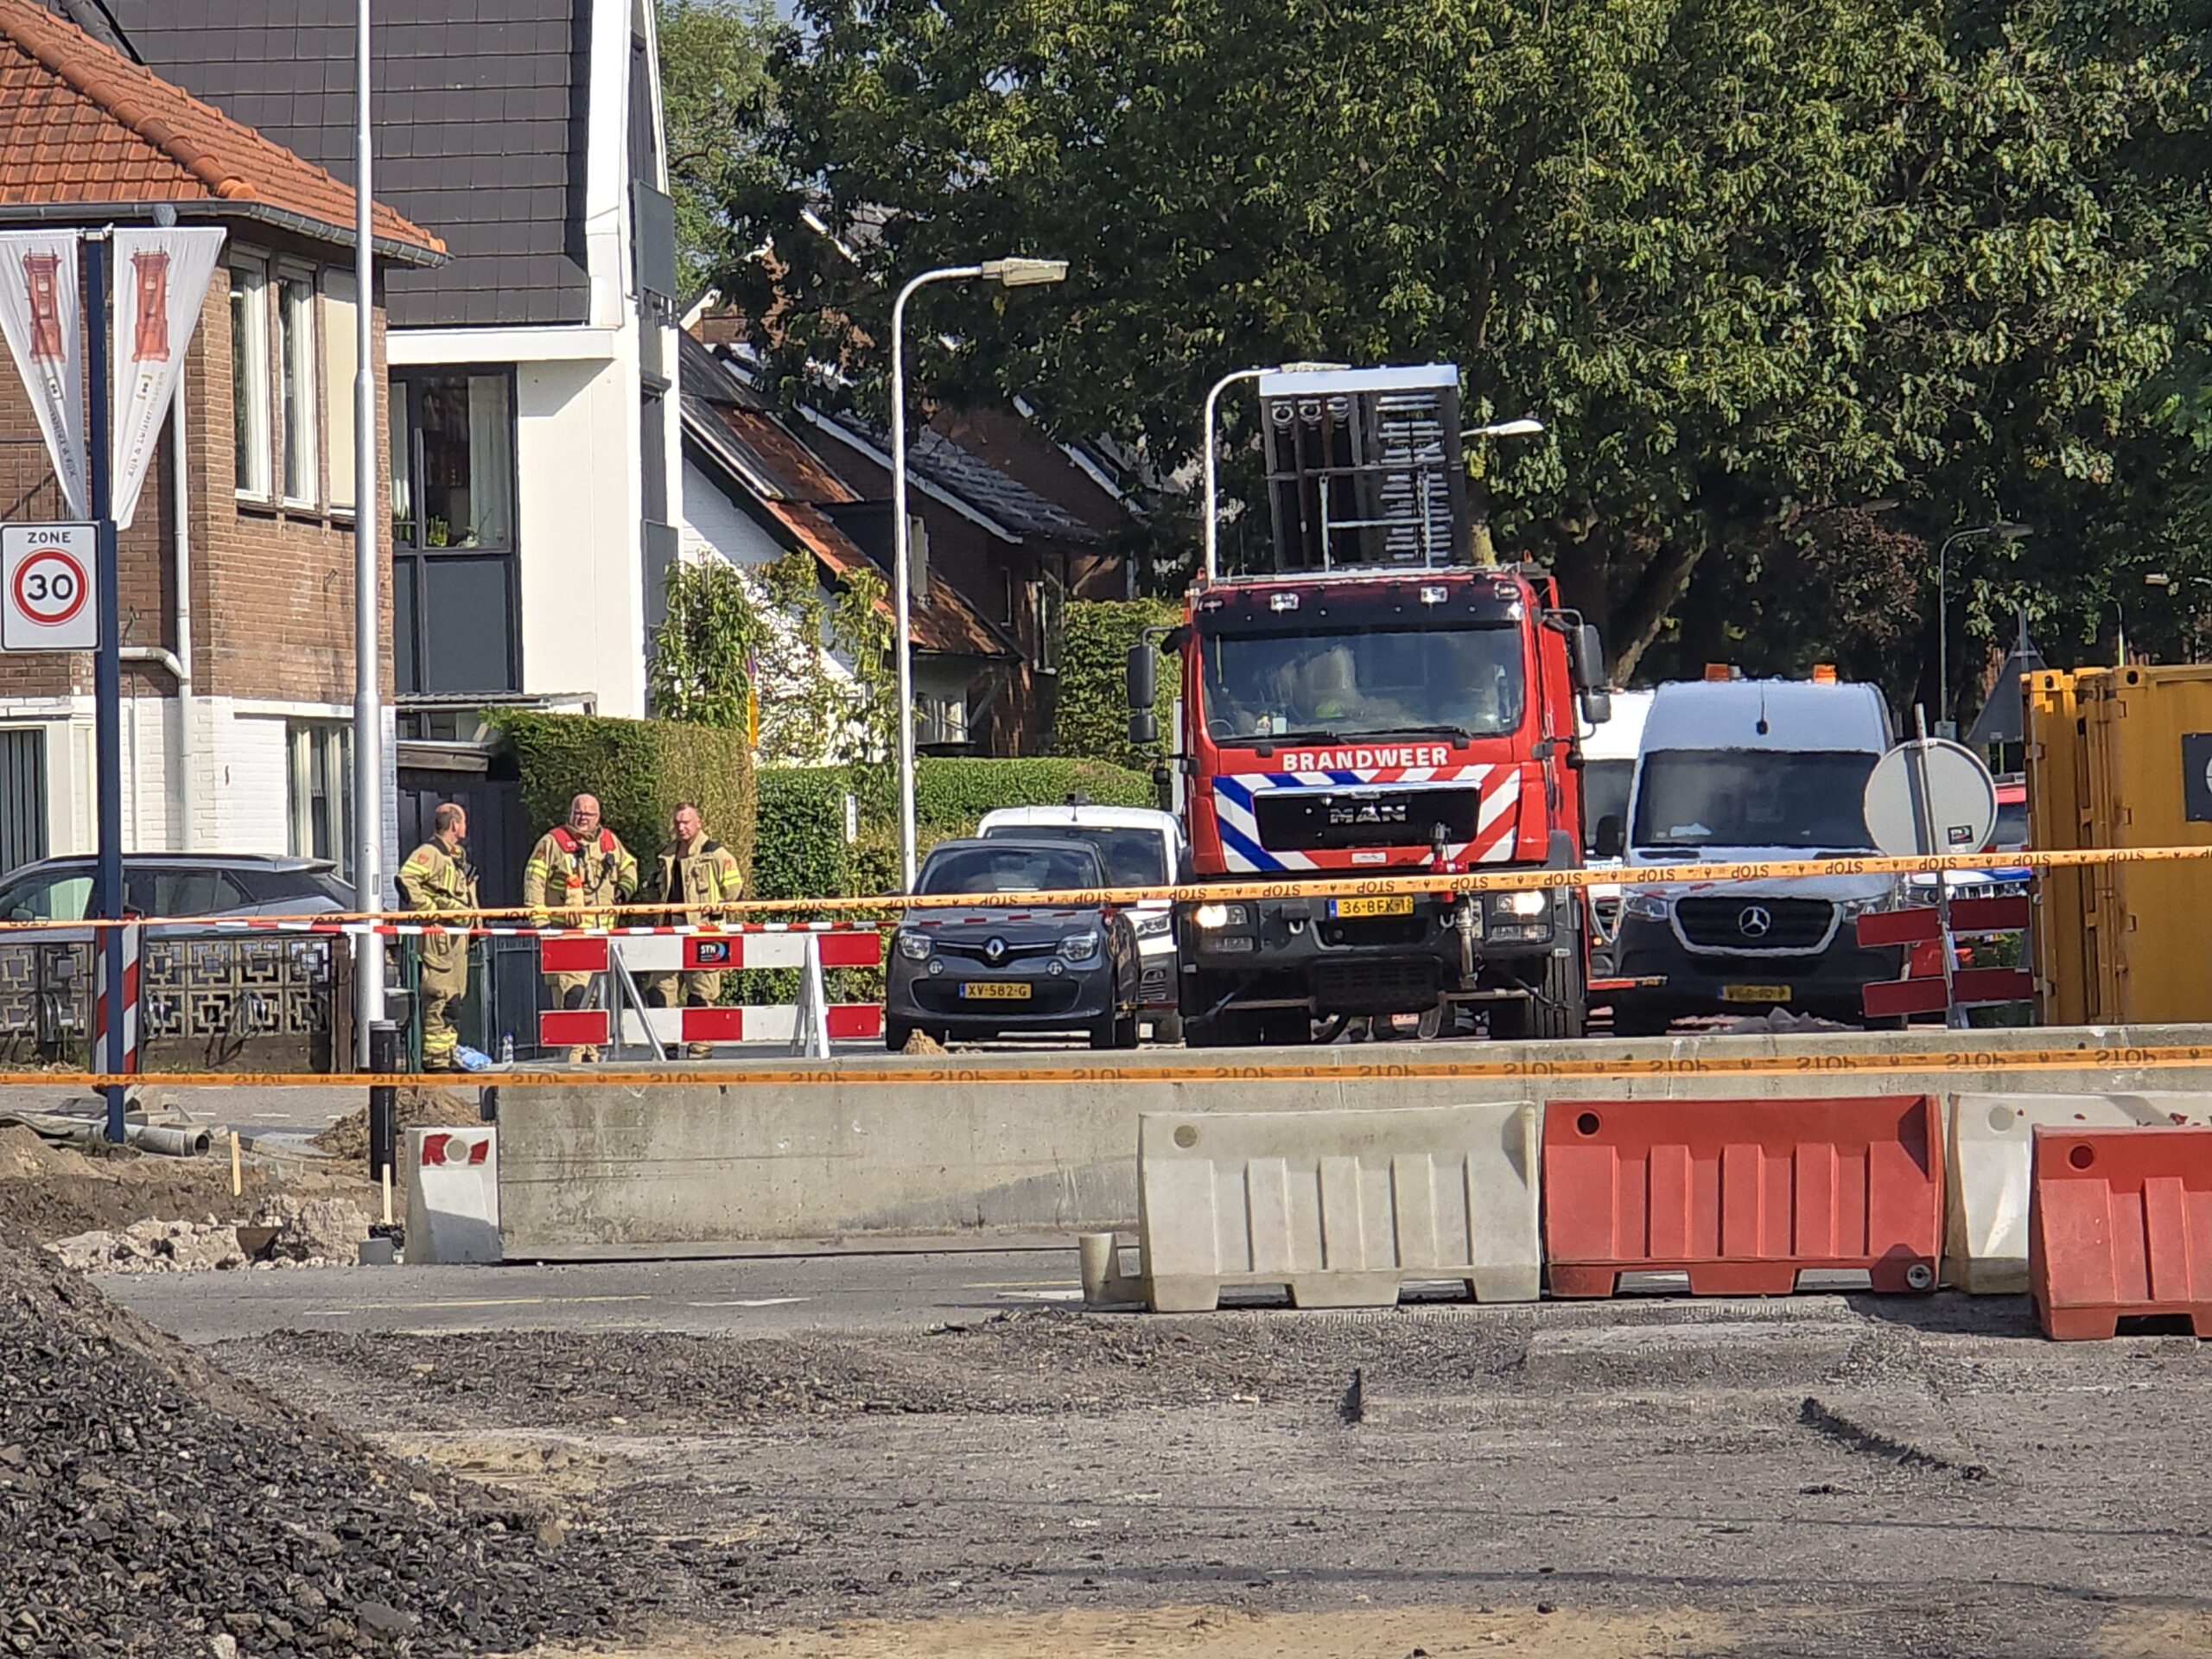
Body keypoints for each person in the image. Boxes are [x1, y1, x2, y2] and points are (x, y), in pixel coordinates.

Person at [524, 793, 639, 1063]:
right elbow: (533, 882)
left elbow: (630, 867)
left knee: (597, 1001)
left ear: (598, 817)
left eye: (589, 814)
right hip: (568, 937)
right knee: (573, 997)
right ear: (570, 813)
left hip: (602, 940)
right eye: (578, 812)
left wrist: (624, 889)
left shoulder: (609, 842)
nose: (583, 818)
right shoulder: (553, 842)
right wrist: (541, 924)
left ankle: (591, 1056)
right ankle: (572, 1060)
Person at [643, 802, 747, 1059]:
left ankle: (700, 1052)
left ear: (698, 823)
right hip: (669, 928)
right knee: (660, 991)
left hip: (703, 932)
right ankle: (666, 1049)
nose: (681, 827)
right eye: (677, 822)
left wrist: (718, 913)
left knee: (701, 993)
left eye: (686, 822)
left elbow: (735, 889)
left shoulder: (716, 853)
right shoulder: (666, 854)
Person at [397, 803, 476, 1071]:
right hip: (438, 940)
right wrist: (430, 911)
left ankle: (448, 1052)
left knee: (454, 1002)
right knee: (441, 997)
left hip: (456, 939)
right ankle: (435, 1061)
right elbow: (406, 879)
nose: (465, 827)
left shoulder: (455, 856)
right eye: (463, 822)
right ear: (455, 825)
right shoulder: (430, 853)